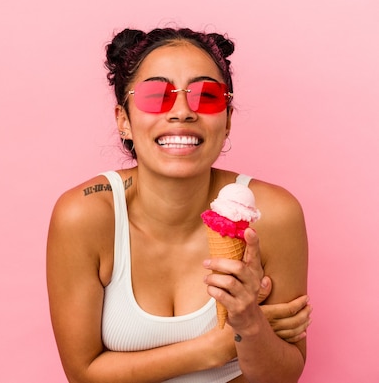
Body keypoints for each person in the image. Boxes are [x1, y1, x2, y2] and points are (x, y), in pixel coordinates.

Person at [46, 26, 311, 383]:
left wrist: (248, 321)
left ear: (228, 120)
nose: (183, 111)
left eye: (207, 95)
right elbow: (83, 375)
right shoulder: (86, 216)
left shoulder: (272, 215)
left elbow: (282, 378)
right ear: (123, 120)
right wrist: (217, 347)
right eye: (156, 95)